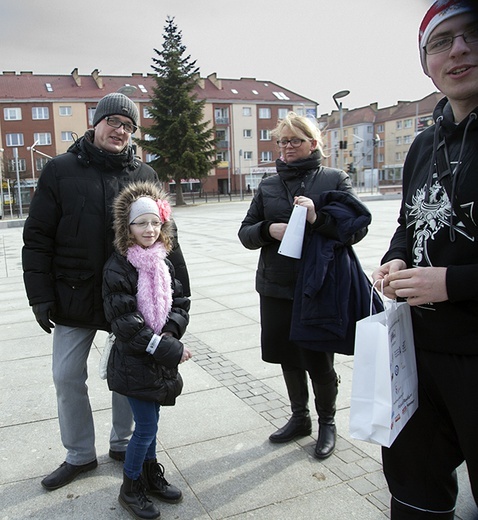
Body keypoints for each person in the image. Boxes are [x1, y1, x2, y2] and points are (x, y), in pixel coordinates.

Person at [22, 92, 190, 491]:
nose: (121, 131)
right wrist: (39, 294)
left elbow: (167, 238)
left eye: (129, 126)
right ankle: (79, 454)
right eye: (114, 121)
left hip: (131, 298)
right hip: (73, 294)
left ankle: (123, 443)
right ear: (96, 123)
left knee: (130, 375)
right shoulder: (60, 170)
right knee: (66, 376)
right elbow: (37, 237)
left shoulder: (144, 173)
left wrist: (180, 297)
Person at [372, 1, 478, 518]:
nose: (458, 49)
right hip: (416, 354)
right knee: (414, 491)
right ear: (426, 62)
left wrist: (452, 283)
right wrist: (393, 261)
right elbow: (408, 226)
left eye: (472, 34)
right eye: (442, 41)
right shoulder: (423, 144)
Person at [238, 112, 369, 460]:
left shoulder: (334, 179)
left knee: (318, 359)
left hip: (319, 287)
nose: (287, 147)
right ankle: (300, 418)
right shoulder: (268, 185)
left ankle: (328, 422)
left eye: (295, 140)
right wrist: (268, 230)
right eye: (282, 141)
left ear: (313, 143)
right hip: (276, 285)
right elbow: (245, 233)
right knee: (287, 356)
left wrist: (318, 218)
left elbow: (355, 229)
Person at [103, 182, 192, 520]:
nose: (150, 229)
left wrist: (171, 332)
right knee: (144, 428)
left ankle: (149, 474)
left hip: (157, 360)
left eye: (155, 222)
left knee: (151, 423)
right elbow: (125, 321)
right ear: (128, 227)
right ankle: (130, 487)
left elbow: (179, 302)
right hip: (134, 360)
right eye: (142, 223)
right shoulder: (119, 266)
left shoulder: (162, 261)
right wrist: (163, 347)